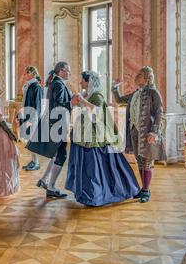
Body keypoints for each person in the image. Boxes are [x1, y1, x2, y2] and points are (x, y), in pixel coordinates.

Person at [66, 71, 139, 206]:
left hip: (96, 134)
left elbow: (96, 112)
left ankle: (96, 196)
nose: (80, 82)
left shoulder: (97, 95)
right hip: (84, 132)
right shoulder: (87, 95)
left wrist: (82, 101)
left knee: (95, 167)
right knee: (87, 167)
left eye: (82, 80)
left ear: (89, 82)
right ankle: (87, 195)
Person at [112, 66, 166, 203]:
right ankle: (143, 189)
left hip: (147, 132)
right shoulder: (136, 93)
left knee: (147, 161)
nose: (136, 76)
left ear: (147, 78)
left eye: (140, 74)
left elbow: (159, 112)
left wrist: (154, 131)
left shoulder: (153, 93)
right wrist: (114, 87)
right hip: (135, 131)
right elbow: (119, 100)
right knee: (140, 161)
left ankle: (146, 190)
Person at [26, 62, 74, 199]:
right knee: (61, 155)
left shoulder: (56, 83)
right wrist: (72, 103)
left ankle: (45, 180)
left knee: (56, 154)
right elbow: (58, 104)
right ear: (62, 71)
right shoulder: (58, 84)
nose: (70, 73)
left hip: (56, 123)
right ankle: (51, 187)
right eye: (68, 71)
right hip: (58, 124)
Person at [18, 66, 43, 171]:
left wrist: (32, 120)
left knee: (33, 140)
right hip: (27, 115)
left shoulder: (36, 86)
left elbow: (37, 105)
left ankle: (36, 163)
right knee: (29, 140)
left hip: (33, 117)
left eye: (27, 73)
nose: (25, 75)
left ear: (33, 74)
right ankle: (33, 161)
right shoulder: (28, 86)